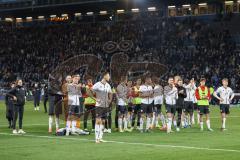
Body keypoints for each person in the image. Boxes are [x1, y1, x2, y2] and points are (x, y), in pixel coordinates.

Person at [92, 72, 112, 143]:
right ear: (104, 76)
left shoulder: (108, 85)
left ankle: (100, 137)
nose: (109, 77)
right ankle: (96, 138)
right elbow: (89, 91)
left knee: (103, 121)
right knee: (98, 121)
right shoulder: (97, 84)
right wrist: (95, 99)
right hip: (99, 106)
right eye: (108, 76)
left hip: (105, 106)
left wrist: (109, 100)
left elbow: (110, 93)